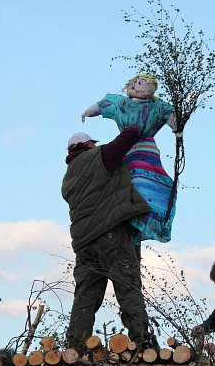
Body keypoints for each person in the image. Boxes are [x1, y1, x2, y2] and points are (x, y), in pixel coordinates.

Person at [61, 124, 156, 352]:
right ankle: (142, 342)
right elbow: (130, 134)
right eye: (93, 143)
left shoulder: (68, 178)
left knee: (85, 296)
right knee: (127, 287)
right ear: (88, 145)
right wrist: (130, 114)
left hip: (84, 245)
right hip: (111, 236)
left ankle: (75, 347)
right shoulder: (99, 157)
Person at [81, 74, 178, 245]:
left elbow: (172, 116)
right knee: (129, 182)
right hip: (127, 148)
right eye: (135, 82)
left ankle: (146, 216)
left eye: (142, 83)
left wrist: (176, 128)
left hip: (146, 151)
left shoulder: (157, 107)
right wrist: (87, 112)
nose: (137, 85)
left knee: (145, 182)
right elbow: (102, 105)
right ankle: (131, 214)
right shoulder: (121, 103)